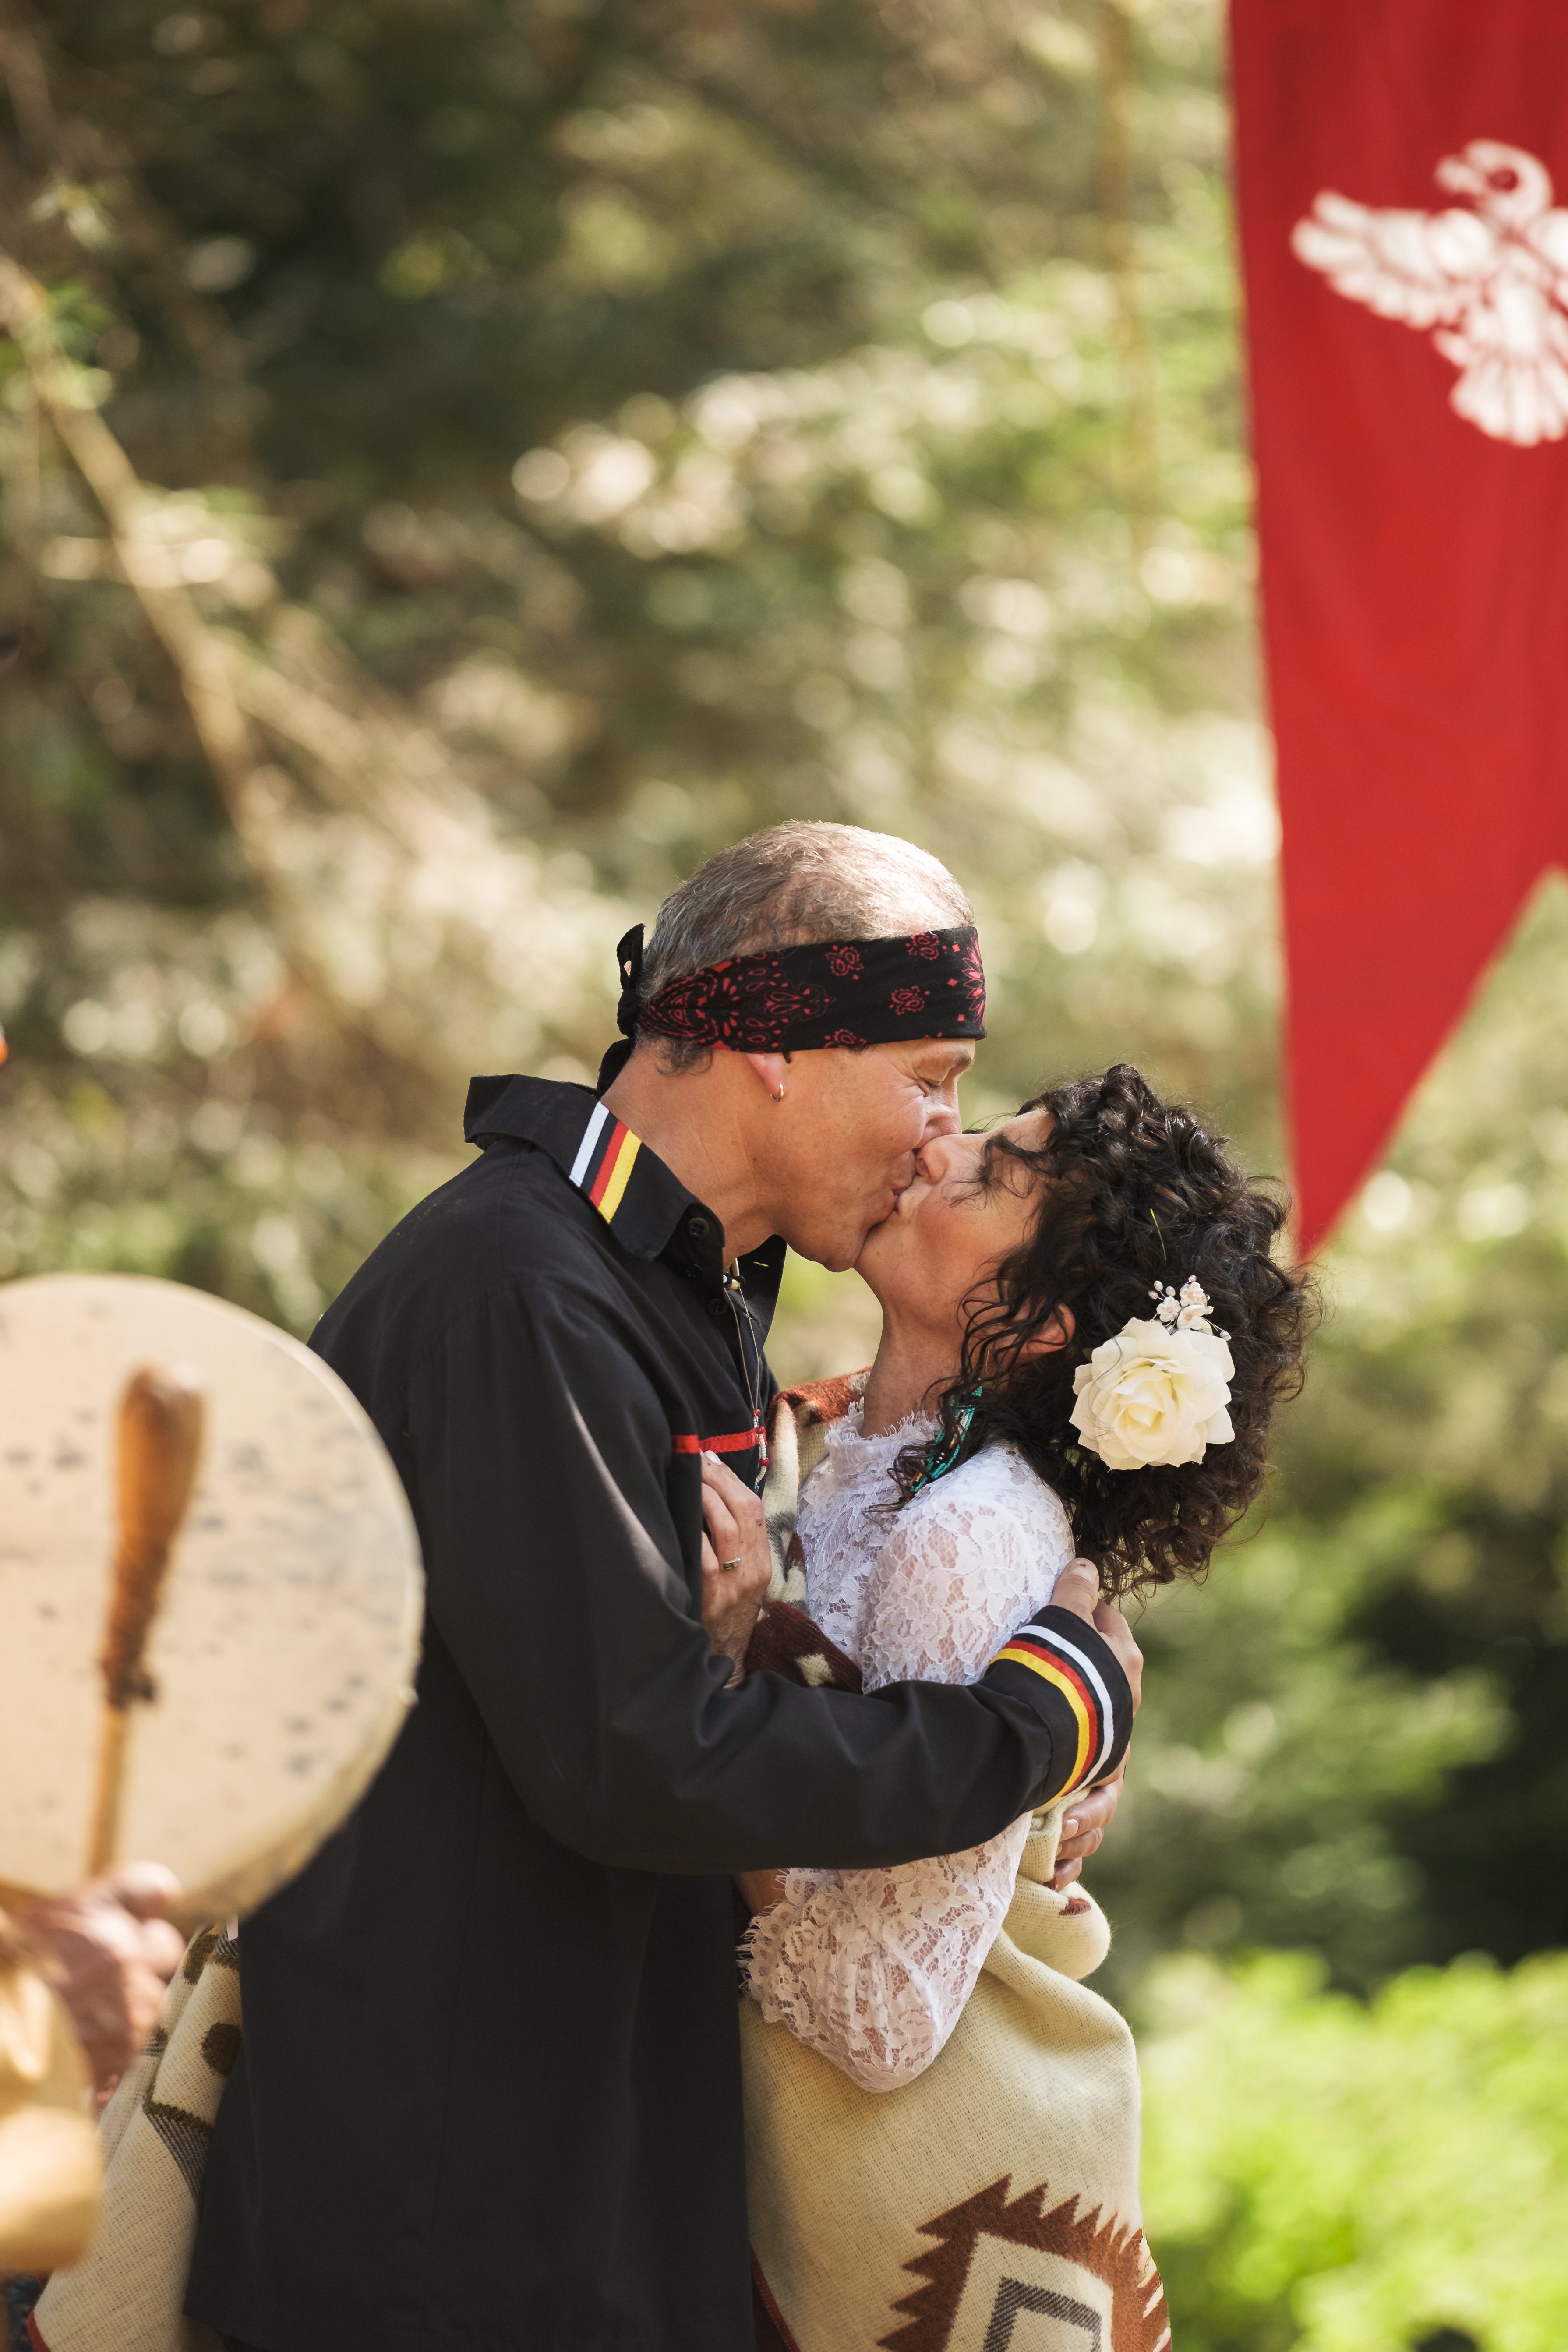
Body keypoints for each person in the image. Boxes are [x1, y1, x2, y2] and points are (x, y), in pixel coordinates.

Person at [187, 823, 1140, 2352]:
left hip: (602, 2179)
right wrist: (1030, 1726)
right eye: (930, 1077)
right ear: (774, 1043)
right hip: (447, 2231)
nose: (937, 1138)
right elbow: (637, 1751)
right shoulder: (521, 1291)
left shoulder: (676, 1282)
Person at [692, 1066, 1309, 2090]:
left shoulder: (967, 1534)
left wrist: (712, 1694)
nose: (935, 1144)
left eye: (985, 1173)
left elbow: (881, 2018)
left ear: (1031, 1323)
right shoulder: (841, 1443)